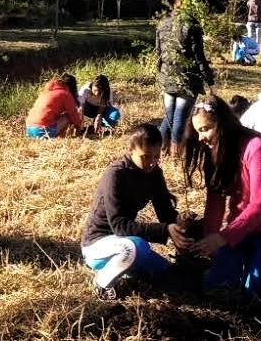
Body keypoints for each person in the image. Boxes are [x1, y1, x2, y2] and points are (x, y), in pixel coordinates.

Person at [183, 95, 261, 304]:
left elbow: (260, 204)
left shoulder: (256, 148)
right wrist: (210, 239)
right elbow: (215, 200)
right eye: (197, 131)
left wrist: (223, 238)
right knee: (216, 285)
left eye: (205, 129)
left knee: (259, 298)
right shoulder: (215, 152)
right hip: (241, 231)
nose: (200, 138)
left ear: (223, 124)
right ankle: (251, 261)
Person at [80, 123, 192, 299]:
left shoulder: (155, 173)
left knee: (173, 276)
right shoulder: (115, 174)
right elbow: (119, 226)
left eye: (156, 156)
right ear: (130, 149)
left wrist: (180, 223)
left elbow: (165, 213)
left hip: (126, 243)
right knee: (137, 247)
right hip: (98, 246)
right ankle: (102, 283)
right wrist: (165, 229)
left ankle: (128, 271)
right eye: (145, 157)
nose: (151, 163)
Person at [156, 0, 217, 157]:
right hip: (187, 79)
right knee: (179, 118)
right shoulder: (192, 26)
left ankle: (160, 150)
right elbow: (199, 58)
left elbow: (159, 53)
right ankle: (175, 155)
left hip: (167, 76)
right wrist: (210, 81)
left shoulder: (163, 24)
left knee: (170, 117)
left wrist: (161, 75)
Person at [25, 73, 83, 138]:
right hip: (42, 131)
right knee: (68, 116)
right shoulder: (65, 93)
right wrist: (79, 127)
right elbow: (73, 113)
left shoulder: (46, 92)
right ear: (72, 87)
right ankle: (62, 137)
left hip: (29, 130)